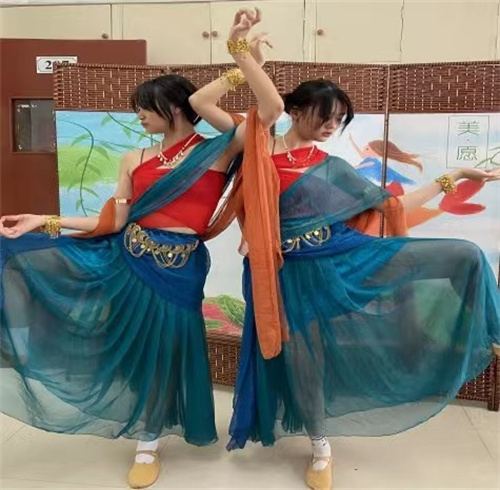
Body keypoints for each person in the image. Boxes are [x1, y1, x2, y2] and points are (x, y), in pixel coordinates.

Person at [190, 11, 500, 490]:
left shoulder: (332, 166)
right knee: (304, 358)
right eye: (326, 116)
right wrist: (242, 56)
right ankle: (320, 446)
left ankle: (493, 332)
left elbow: (391, 206)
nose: (332, 126)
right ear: (297, 111)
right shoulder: (256, 143)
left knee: (463, 255)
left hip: (338, 258)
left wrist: (453, 177)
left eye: (339, 120)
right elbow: (213, 102)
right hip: (283, 273)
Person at [0, 11, 282, 488]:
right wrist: (44, 221)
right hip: (129, 260)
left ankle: (152, 434)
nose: (139, 116)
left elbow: (269, 110)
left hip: (181, 266)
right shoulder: (134, 158)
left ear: (172, 107)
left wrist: (241, 55)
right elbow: (114, 220)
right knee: (136, 352)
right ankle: (147, 439)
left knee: (169, 348)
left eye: (144, 108)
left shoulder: (217, 149)